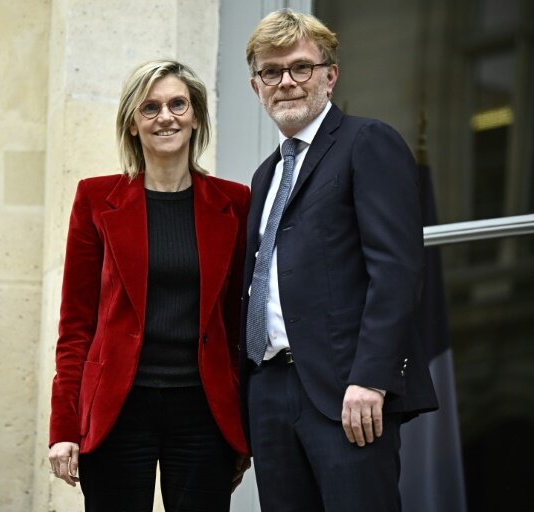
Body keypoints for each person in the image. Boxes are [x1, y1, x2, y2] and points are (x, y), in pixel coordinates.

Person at [240, 9, 439, 512]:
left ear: (330, 75)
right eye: (271, 71)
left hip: (347, 392)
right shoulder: (264, 176)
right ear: (255, 86)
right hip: (270, 391)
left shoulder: (366, 142)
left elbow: (396, 269)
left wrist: (371, 376)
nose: (286, 82)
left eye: (301, 67)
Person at [48, 59, 251, 512]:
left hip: (203, 412)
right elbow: (75, 327)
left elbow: (238, 326)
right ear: (133, 123)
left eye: (178, 104)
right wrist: (64, 426)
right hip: (118, 411)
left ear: (195, 115)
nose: (166, 117)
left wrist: (240, 423)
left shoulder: (235, 203)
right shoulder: (96, 199)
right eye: (150, 107)